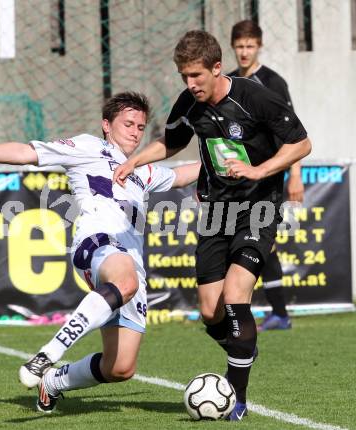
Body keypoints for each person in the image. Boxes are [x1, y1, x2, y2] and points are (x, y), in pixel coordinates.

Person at [0, 92, 201, 413]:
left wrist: (246, 156)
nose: (135, 132)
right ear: (106, 125)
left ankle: (55, 381)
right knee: (124, 281)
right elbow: (25, 152)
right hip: (96, 240)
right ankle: (48, 353)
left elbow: (184, 173)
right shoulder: (88, 147)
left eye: (141, 127)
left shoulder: (141, 170)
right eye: (128, 123)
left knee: (120, 367)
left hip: (130, 263)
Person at [113, 31, 311, 420]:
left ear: (216, 68)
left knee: (237, 295)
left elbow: (301, 143)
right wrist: (136, 160)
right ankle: (243, 349)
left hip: (259, 208)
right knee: (210, 312)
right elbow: (170, 142)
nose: (190, 84)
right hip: (218, 212)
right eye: (184, 76)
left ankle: (237, 397)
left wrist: (260, 170)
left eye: (196, 76)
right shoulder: (190, 102)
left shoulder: (256, 97)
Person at [229, 20, 305, 331]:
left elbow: (294, 132)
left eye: (250, 46)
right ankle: (270, 313)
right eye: (240, 46)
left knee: (262, 242)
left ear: (259, 46)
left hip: (267, 175)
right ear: (233, 47)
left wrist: (295, 175)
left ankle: (278, 313)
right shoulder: (228, 81)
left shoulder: (273, 82)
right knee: (245, 243)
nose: (245, 52)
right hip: (235, 178)